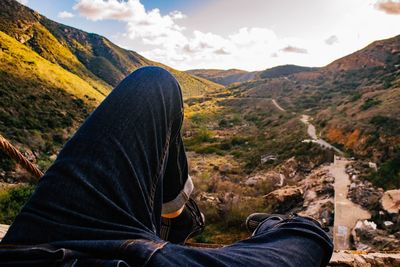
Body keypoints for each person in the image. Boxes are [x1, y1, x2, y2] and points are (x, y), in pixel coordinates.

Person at [0, 66, 333, 266]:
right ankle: (181, 213)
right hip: (132, 257)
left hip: (28, 248)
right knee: (309, 234)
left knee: (153, 82)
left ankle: (175, 211)